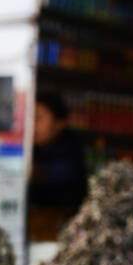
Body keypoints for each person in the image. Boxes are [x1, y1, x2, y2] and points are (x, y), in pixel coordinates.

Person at [29, 93, 88, 240]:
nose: (31, 124)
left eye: (38, 118)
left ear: (59, 124)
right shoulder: (33, 148)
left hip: (65, 228)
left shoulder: (70, 147)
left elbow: (59, 173)